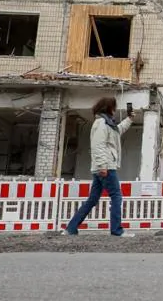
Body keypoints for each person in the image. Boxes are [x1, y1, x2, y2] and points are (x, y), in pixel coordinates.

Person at [64, 97, 138, 237]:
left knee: (92, 199)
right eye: (114, 107)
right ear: (108, 108)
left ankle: (71, 228)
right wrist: (103, 166)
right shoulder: (101, 123)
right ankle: (117, 230)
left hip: (102, 166)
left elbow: (118, 131)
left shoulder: (108, 124)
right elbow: (98, 146)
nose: (115, 110)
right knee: (116, 196)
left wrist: (129, 119)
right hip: (106, 167)